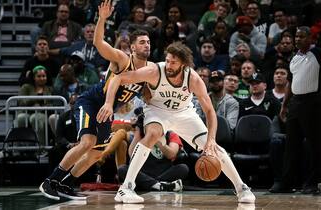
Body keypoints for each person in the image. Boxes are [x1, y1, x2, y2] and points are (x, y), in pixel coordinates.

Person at [98, 41, 255, 204]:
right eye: (167, 60)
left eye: (173, 62)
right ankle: (126, 188)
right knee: (153, 134)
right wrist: (109, 103)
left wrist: (211, 139)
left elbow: (209, 111)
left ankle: (242, 188)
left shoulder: (193, 78)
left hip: (184, 113)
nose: (169, 65)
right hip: (157, 110)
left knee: (213, 148)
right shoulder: (154, 71)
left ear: (184, 65)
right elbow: (119, 78)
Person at [39, 0, 154, 201]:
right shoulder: (122, 59)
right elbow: (99, 43)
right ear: (133, 47)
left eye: (149, 42)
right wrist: (102, 19)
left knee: (96, 153)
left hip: (107, 112)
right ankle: (50, 181)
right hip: (91, 102)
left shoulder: (148, 71)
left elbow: (146, 94)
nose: (147, 45)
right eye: (142, 42)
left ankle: (65, 183)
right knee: (87, 142)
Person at [270, 26, 321, 194]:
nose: (297, 39)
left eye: (302, 36)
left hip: (313, 102)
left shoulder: (318, 53)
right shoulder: (293, 57)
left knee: (314, 145)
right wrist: (285, 105)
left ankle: (312, 182)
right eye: (296, 37)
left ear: (311, 39)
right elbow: (291, 83)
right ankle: (287, 182)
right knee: (291, 145)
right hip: (295, 103)